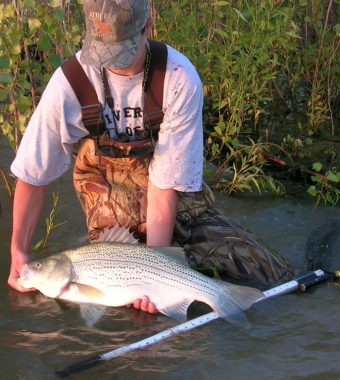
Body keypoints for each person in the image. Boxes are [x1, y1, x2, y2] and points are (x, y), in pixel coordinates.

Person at [8, 0, 293, 313]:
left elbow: (165, 185)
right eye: (103, 51)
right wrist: (19, 252)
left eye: (121, 51)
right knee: (119, 305)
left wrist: (157, 272)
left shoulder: (178, 78)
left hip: (171, 199)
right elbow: (33, 173)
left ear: (148, 26)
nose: (112, 63)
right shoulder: (70, 83)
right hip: (111, 209)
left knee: (273, 276)